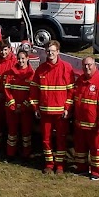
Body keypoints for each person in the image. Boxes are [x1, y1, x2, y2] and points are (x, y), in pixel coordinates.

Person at [31, 40, 76, 174]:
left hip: (60, 113)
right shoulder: (41, 69)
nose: (50, 53)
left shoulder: (66, 68)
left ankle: (60, 165)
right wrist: (35, 108)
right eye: (48, 51)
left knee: (61, 139)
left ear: (58, 52)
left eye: (53, 51)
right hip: (45, 112)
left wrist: (67, 108)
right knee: (46, 139)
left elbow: (71, 91)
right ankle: (49, 164)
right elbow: (34, 90)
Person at [71, 56, 99, 180]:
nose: (87, 67)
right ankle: (81, 168)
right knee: (80, 149)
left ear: (95, 65)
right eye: (84, 65)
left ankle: (96, 172)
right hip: (80, 124)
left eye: (89, 65)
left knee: (96, 149)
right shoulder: (80, 80)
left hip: (95, 126)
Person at [2, 50, 36, 159]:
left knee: (26, 133)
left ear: (27, 59)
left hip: (26, 110)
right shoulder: (11, 73)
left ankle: (26, 154)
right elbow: (7, 89)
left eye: (23, 58)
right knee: (12, 132)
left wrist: (23, 106)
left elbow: (33, 93)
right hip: (12, 109)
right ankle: (10, 154)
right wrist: (13, 105)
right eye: (19, 58)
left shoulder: (32, 74)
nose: (21, 61)